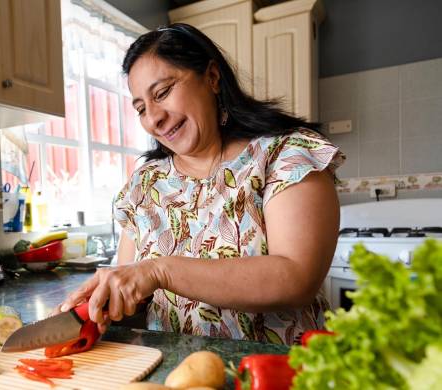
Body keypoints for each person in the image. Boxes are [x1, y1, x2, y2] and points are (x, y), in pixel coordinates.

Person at [55, 23, 344, 345]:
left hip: (280, 370)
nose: (153, 119)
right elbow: (131, 297)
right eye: (140, 109)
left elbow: (295, 279)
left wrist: (159, 271)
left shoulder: (286, 155)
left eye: (162, 93)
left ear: (212, 77)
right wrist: (96, 307)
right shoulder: (144, 184)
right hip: (176, 372)